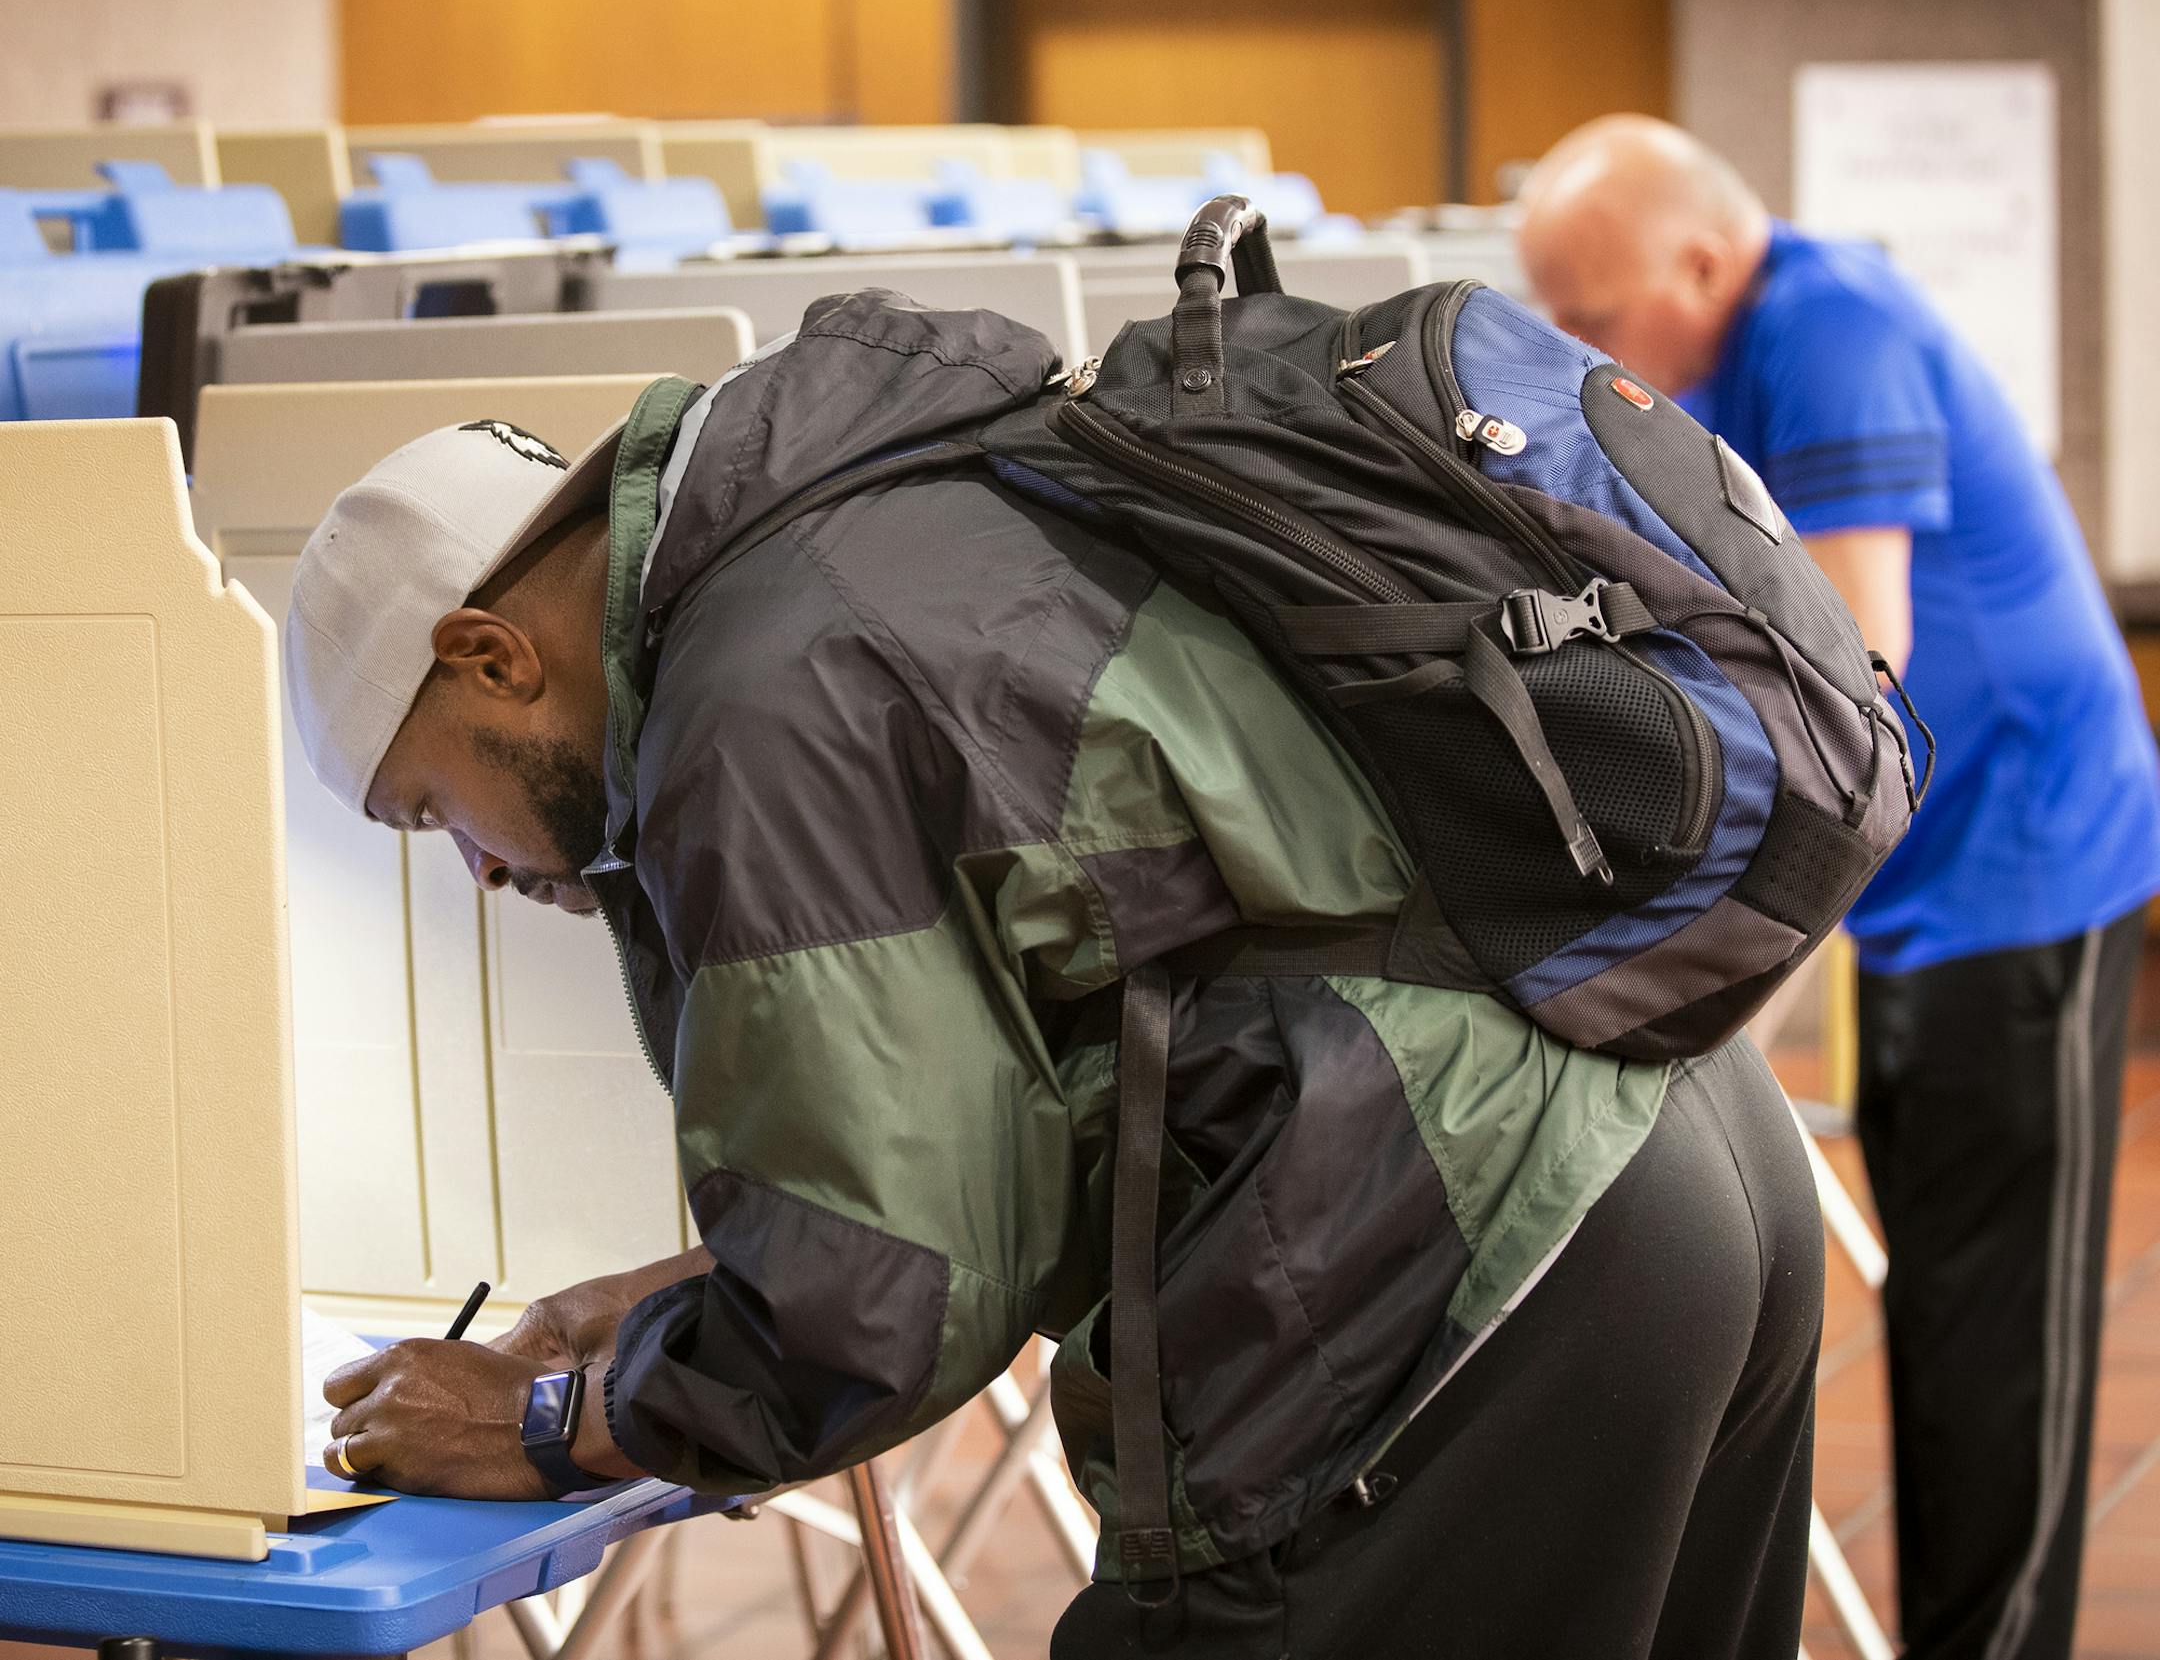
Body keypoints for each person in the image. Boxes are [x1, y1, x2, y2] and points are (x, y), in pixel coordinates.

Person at [284, 295, 1821, 1656]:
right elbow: (1028, 1103)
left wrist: (545, 1418)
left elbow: (863, 1318)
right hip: (1675, 1148)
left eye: (434, 809)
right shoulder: (874, 502)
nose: (479, 873)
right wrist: (674, 1302)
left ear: (493, 653)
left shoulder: (755, 709)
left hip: (1447, 1242)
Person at [1517, 114, 2160, 1660]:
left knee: (1995, 1336)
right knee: (1944, 1294)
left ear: (1700, 257)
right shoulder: (1738, 339)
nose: (1590, 355)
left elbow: (1856, 659)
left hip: (2024, 866)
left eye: (1595, 321)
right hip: (1936, 876)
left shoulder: (1826, 326)